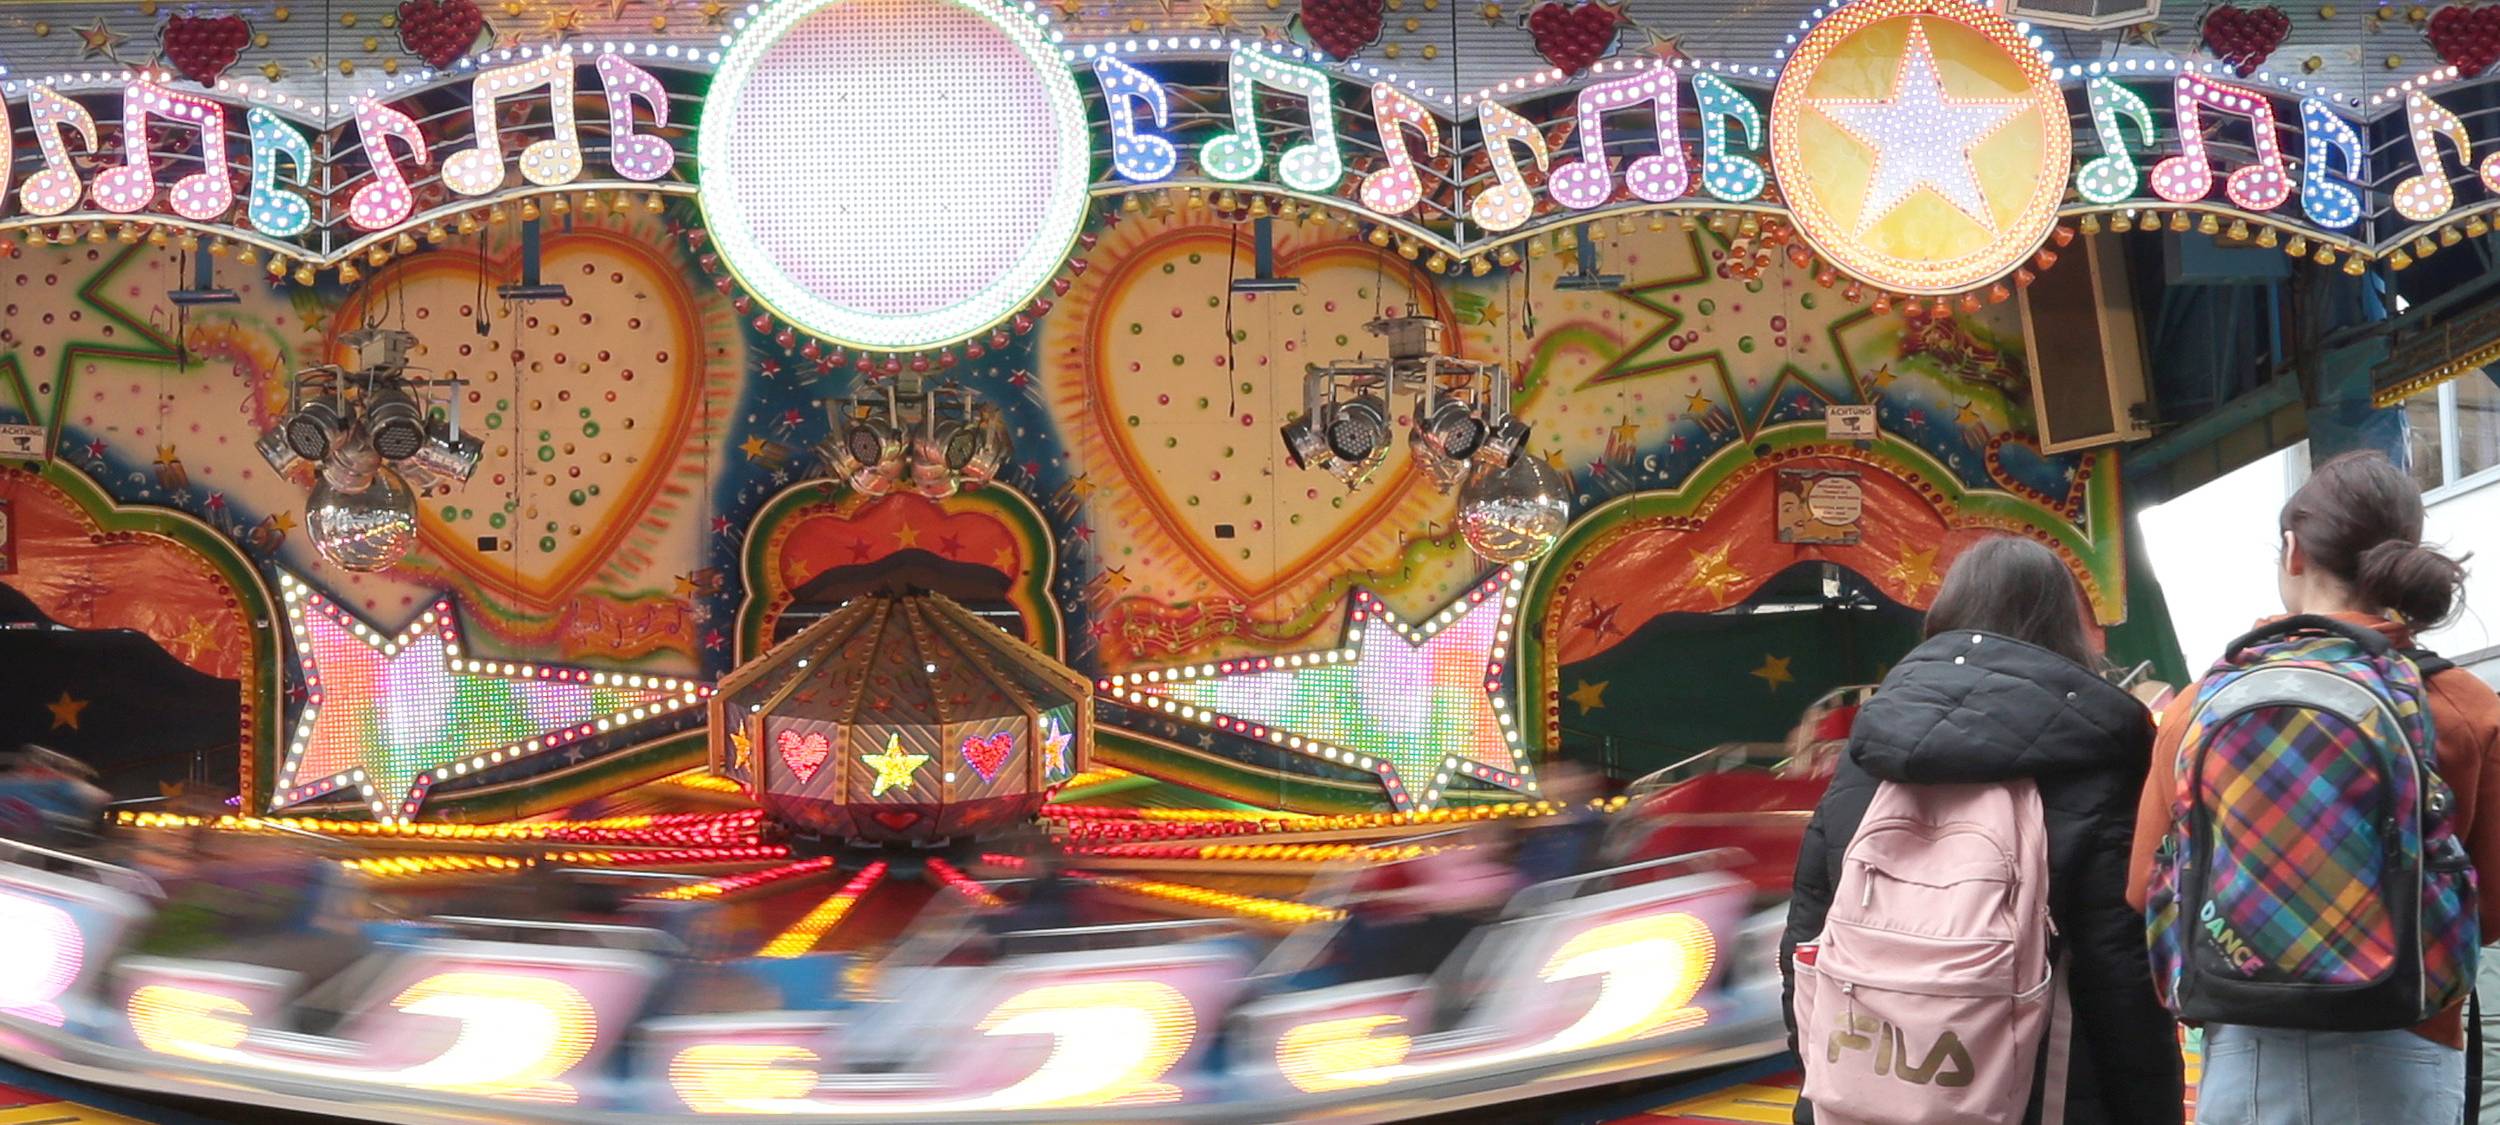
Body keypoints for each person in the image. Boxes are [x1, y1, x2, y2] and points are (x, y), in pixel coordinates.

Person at [2126, 451, 2500, 1125]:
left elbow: (2143, 886)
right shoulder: (2463, 707)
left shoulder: (2199, 705)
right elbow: (2495, 903)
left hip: (2242, 1044)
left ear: (2292, 551)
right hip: (2405, 1038)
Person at [1783, 536, 2183, 1124]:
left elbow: (1806, 937)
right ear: (2065, 627)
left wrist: (1822, 1076)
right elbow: (2119, 979)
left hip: (1863, 1095)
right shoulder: (2098, 758)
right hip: (2042, 1097)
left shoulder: (1870, 750)